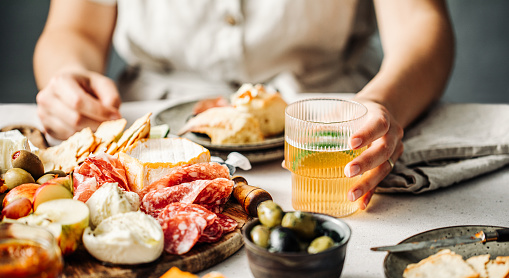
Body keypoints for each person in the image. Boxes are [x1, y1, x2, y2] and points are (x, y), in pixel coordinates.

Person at [33, 0, 454, 210]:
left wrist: (383, 101)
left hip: (333, 129)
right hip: (144, 143)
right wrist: (69, 77)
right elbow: (73, 28)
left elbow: (420, 20)